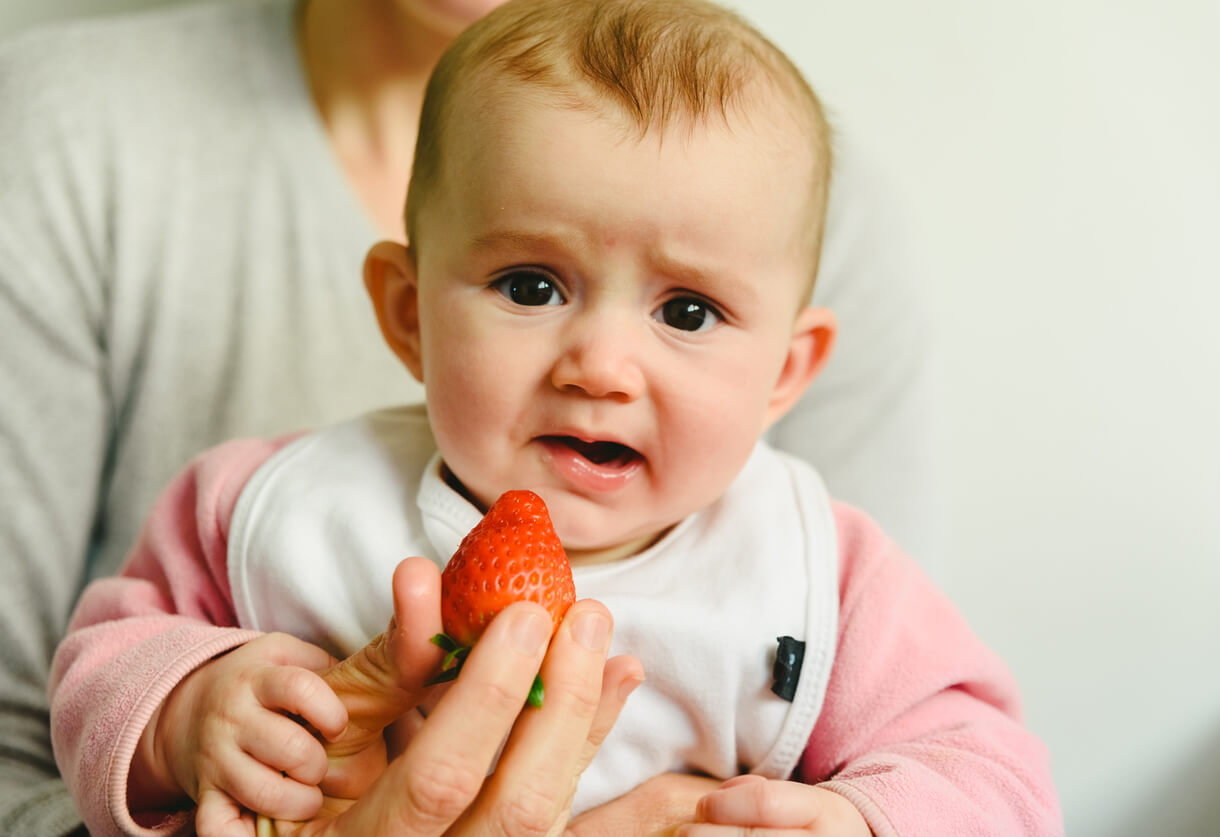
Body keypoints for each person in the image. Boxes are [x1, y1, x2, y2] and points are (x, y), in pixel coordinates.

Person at [50, 0, 1061, 834]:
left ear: (788, 372)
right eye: (533, 287)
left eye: (688, 311)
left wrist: (865, 822)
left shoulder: (822, 574)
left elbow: (997, 775)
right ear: (408, 313)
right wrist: (184, 712)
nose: (603, 366)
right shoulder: (271, 504)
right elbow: (100, 658)